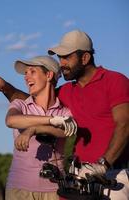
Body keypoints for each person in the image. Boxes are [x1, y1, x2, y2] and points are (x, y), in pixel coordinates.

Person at [0, 30, 129, 199]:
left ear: (85, 58)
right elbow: (34, 101)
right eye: (60, 58)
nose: (62, 63)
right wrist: (5, 87)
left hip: (114, 175)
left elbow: (125, 124)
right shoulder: (68, 91)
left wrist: (103, 165)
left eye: (66, 57)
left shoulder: (115, 81)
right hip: (80, 178)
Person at [4, 55, 77, 200]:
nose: (26, 77)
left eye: (32, 72)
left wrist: (34, 129)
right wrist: (51, 120)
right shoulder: (20, 105)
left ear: (49, 75)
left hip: (56, 191)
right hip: (19, 190)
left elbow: (65, 130)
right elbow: (11, 120)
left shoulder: (64, 112)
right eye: (25, 73)